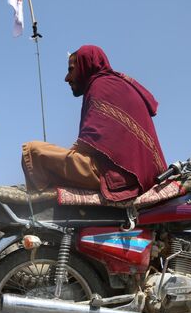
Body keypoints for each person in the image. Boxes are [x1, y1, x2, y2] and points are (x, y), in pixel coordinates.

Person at [22, 45, 166, 202]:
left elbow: (88, 146)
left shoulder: (100, 86)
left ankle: (40, 209)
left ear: (85, 65)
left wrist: (62, 161)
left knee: (33, 151)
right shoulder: (117, 83)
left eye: (71, 70)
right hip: (138, 174)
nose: (67, 78)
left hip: (117, 177)